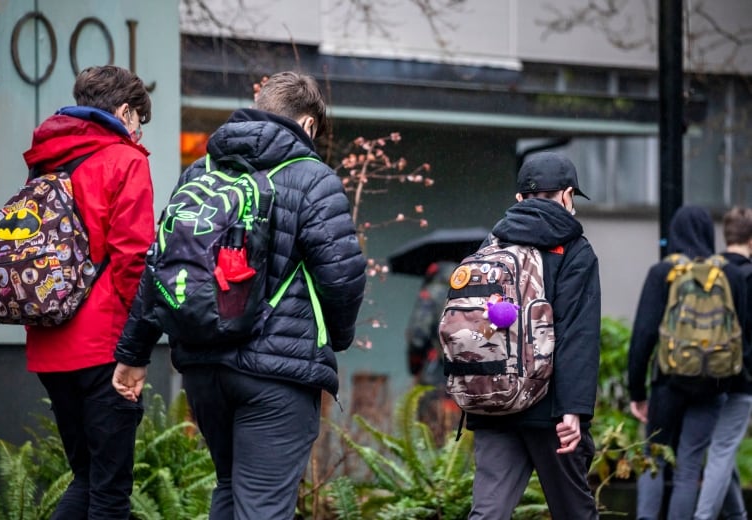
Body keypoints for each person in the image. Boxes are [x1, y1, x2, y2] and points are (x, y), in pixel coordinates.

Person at [111, 70, 367, 519]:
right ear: (307, 125)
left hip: (203, 368)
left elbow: (160, 264)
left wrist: (133, 354)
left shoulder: (200, 170)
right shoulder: (312, 177)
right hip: (276, 376)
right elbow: (343, 276)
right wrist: (335, 338)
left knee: (231, 492)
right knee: (263, 506)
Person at [22, 65, 154, 518]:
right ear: (123, 112)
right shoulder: (126, 160)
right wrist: (135, 344)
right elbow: (132, 257)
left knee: (88, 478)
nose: (138, 131)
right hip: (103, 348)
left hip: (47, 341)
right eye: (139, 119)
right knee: (110, 490)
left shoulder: (46, 158)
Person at [466, 151, 601, 520]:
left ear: (520, 199)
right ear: (568, 195)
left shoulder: (491, 246)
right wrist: (573, 410)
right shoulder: (575, 250)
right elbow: (578, 333)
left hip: (495, 400)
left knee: (488, 512)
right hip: (550, 408)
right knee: (574, 511)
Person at [628, 206, 747, 520]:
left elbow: (643, 336)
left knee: (654, 457)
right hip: (713, 385)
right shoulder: (729, 274)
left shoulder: (663, 272)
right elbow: (741, 335)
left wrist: (637, 392)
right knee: (689, 464)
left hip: (668, 384)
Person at [693, 206, 752, 520]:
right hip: (741, 380)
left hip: (703, 375)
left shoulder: (709, 271)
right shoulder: (749, 275)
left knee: (718, 448)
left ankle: (737, 515)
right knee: (722, 450)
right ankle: (703, 517)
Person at [405, 260, 460, 441]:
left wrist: (414, 366)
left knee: (432, 434)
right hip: (465, 378)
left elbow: (417, 336)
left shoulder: (430, 295)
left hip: (435, 373)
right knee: (458, 442)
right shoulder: (468, 293)